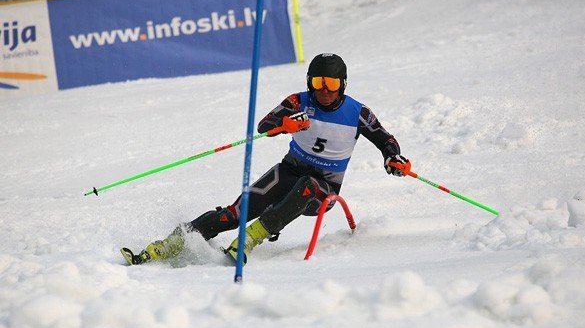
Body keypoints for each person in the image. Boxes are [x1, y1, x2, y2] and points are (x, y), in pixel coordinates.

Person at [121, 53, 410, 265]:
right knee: (234, 213)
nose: (324, 90)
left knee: (309, 185)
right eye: (318, 82)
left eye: (331, 83)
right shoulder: (298, 102)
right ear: (309, 81)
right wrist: (284, 124)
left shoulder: (358, 113)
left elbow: (385, 140)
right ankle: (168, 244)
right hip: (288, 172)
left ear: (342, 85)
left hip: (323, 189)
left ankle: (250, 239)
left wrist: (394, 158)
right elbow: (264, 125)